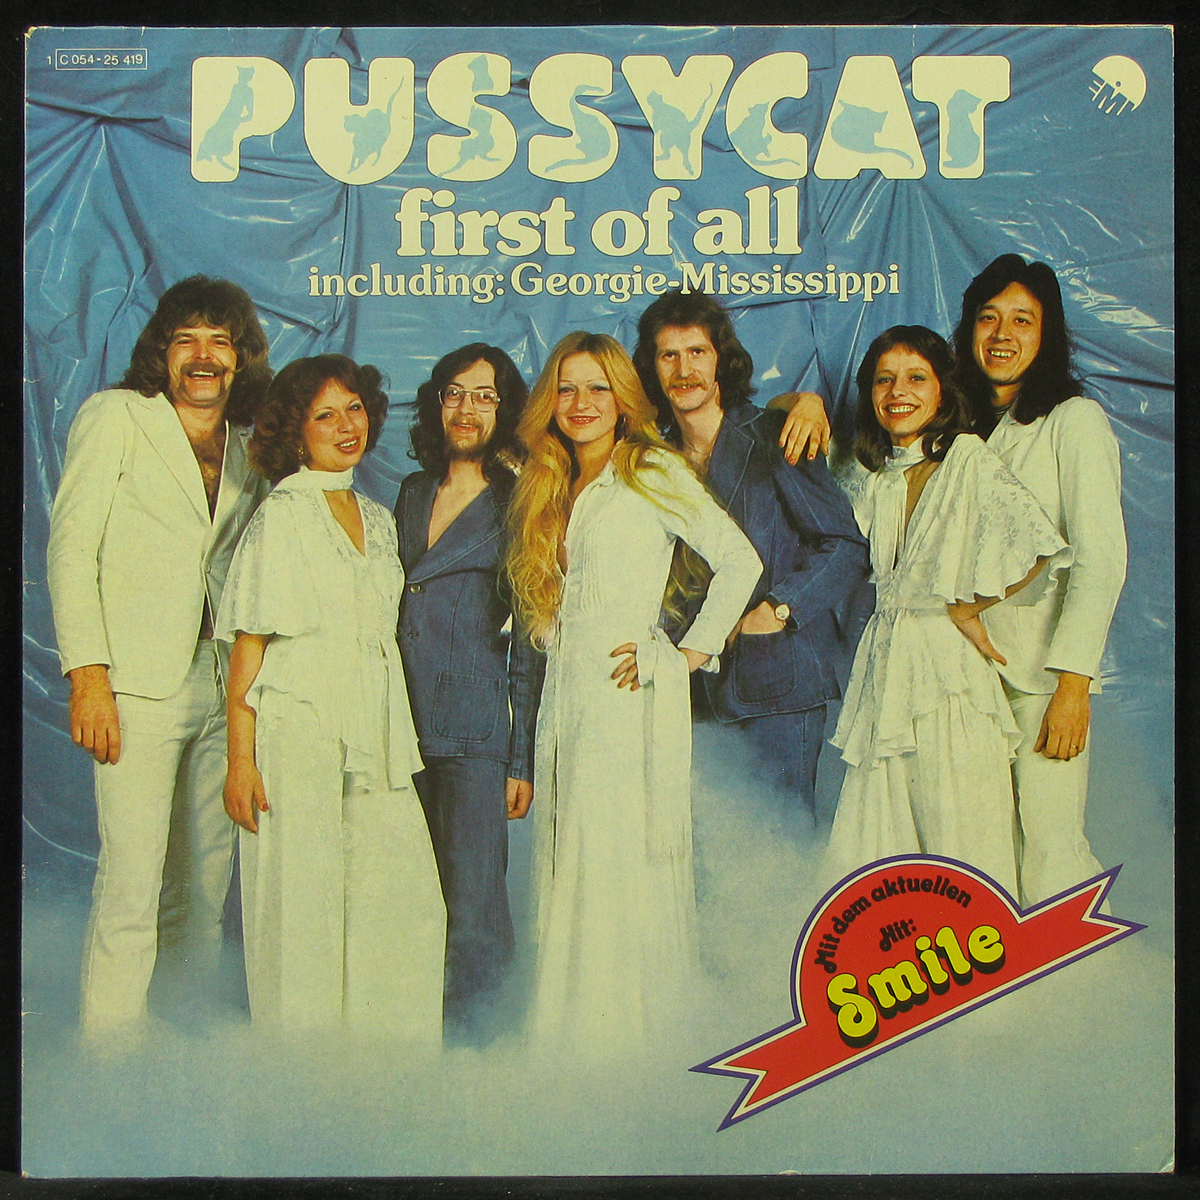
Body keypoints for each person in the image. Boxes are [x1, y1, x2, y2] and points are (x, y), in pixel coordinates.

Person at [506, 332, 761, 1050]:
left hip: (625, 700)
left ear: (623, 399)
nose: (581, 403)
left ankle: (626, 1047)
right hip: (566, 702)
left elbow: (740, 560)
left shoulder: (650, 468)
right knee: (568, 859)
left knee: (615, 863)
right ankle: (569, 1042)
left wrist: (688, 653)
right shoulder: (550, 481)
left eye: (598, 387)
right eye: (566, 388)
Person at [47, 276, 272, 1038]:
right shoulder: (116, 416)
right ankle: (111, 1054)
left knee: (205, 887)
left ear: (241, 357)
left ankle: (182, 1042)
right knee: (132, 882)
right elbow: (71, 551)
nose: (203, 355)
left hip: (222, 687)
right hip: (134, 686)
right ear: (162, 351)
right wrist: (89, 679)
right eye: (187, 340)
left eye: (220, 341)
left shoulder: (248, 444)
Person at [218, 354, 444, 1033]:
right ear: (296, 431)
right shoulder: (283, 515)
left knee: (400, 899)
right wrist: (239, 761)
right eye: (325, 415)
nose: (347, 425)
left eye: (354, 409)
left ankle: (383, 1067)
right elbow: (248, 647)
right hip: (298, 726)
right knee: (303, 903)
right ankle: (305, 1072)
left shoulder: (377, 516)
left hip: (376, 727)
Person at [826, 327, 1070, 898]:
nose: (898, 392)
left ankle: (983, 944)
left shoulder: (966, 457)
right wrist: (804, 403)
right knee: (874, 841)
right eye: (883, 380)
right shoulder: (872, 473)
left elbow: (1039, 543)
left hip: (948, 675)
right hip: (885, 668)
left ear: (942, 391)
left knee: (960, 836)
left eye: (916, 378)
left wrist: (968, 606)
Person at [632, 291, 870, 822]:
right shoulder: (653, 459)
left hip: (775, 684)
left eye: (697, 352)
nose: (684, 370)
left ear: (722, 360)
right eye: (669, 355)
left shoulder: (772, 435)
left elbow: (846, 545)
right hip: (689, 691)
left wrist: (780, 608)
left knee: (780, 845)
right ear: (651, 367)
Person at [952, 255, 1126, 906]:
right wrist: (803, 403)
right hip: (961, 676)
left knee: (1051, 848)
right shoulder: (954, 425)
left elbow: (1101, 558)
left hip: (1042, 676)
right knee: (981, 853)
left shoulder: (1075, 421)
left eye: (1022, 320)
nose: (1002, 334)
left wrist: (1073, 685)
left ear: (1046, 333)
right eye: (988, 318)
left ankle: (1088, 972)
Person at [395, 344, 545, 1046]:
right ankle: (417, 1049)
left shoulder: (519, 501)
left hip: (475, 730)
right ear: (436, 403)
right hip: (399, 723)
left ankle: (481, 1055)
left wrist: (521, 759)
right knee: (409, 904)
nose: (467, 408)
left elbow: (530, 640)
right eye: (455, 392)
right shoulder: (411, 491)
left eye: (485, 395)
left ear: (504, 409)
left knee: (475, 911)